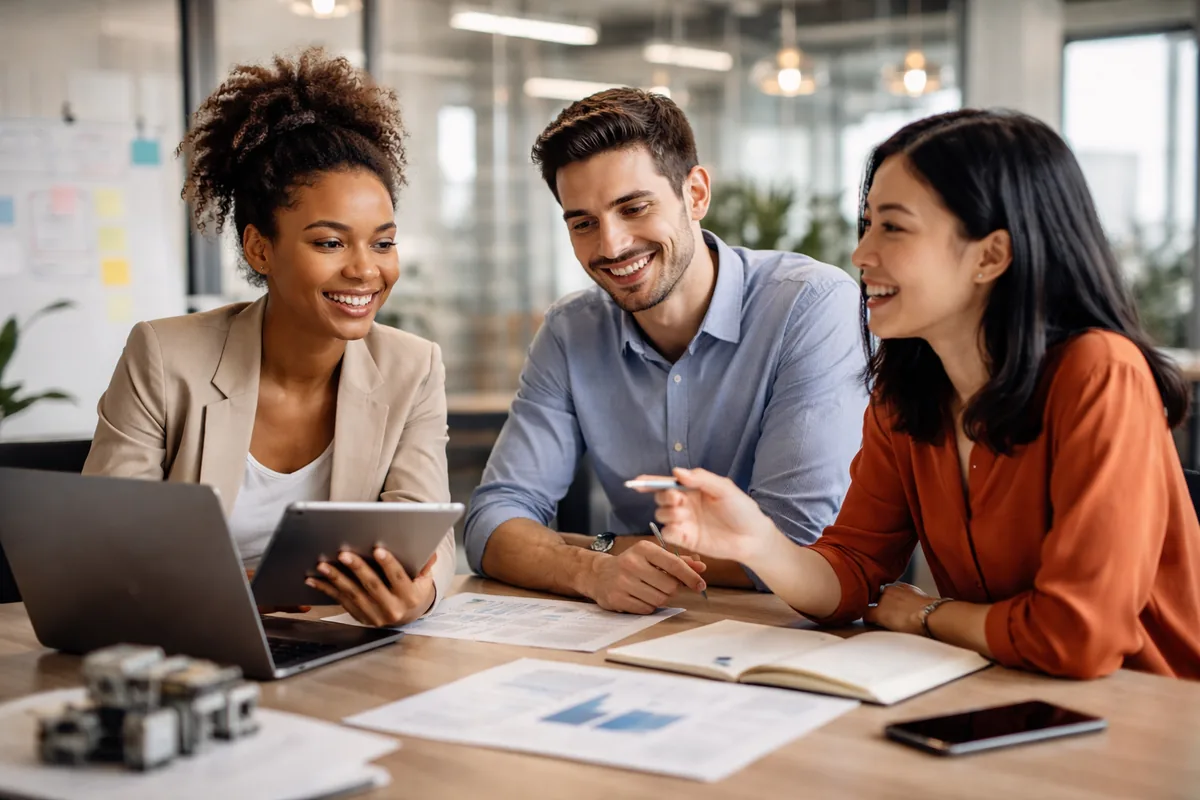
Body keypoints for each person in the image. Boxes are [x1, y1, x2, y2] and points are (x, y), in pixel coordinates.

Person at [642, 108, 1200, 679]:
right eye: (866, 225)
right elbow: (854, 573)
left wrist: (931, 614)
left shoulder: (1099, 372)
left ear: (990, 255)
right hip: (1004, 694)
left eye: (894, 227)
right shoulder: (906, 394)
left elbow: (1079, 636)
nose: (860, 255)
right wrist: (759, 543)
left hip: (1149, 711)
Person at [83, 48, 454, 628]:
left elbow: (428, 534)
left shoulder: (413, 366)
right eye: (330, 243)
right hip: (179, 638)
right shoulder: (165, 356)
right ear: (260, 249)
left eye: (382, 242)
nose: (365, 269)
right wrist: (236, 590)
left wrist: (418, 595)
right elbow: (103, 548)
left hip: (330, 645)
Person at [463, 88, 867, 614]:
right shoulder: (570, 331)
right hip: (638, 627)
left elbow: (794, 542)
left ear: (695, 194)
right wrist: (589, 568)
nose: (610, 245)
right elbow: (492, 521)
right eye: (583, 222)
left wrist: (597, 545)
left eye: (634, 207)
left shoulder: (810, 306)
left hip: (789, 634)